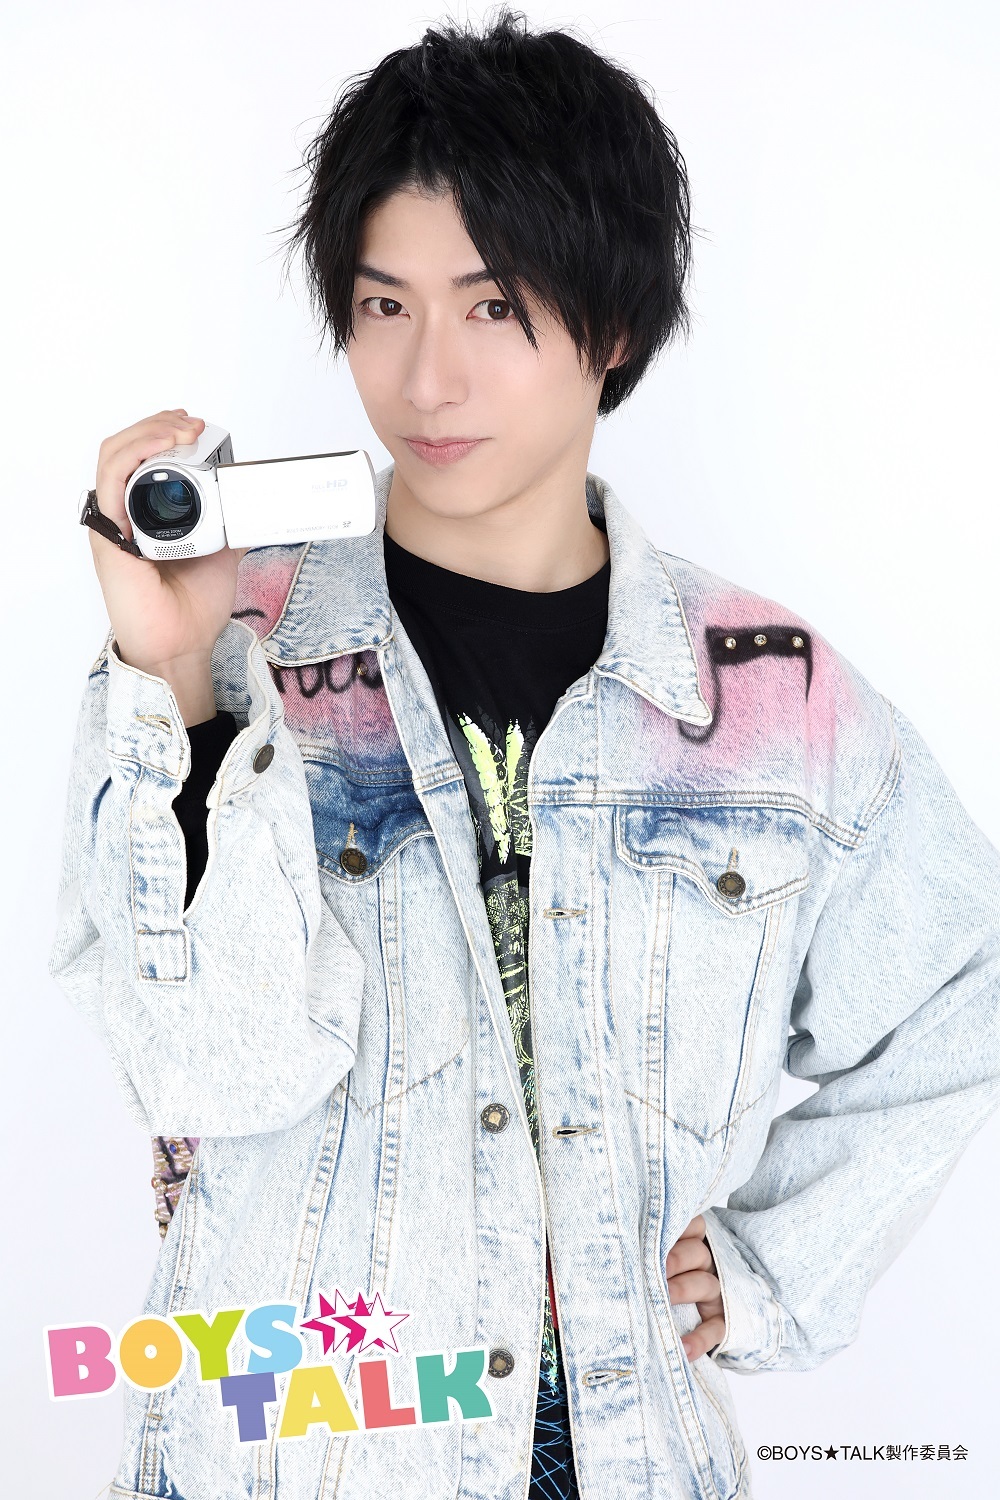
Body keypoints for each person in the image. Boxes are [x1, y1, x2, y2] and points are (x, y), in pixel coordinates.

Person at [50, 10, 1000, 1500]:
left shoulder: (768, 699)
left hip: (624, 1455)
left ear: (612, 328)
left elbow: (959, 991)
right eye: (383, 306)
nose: (426, 380)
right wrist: (177, 681)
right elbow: (204, 1072)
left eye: (493, 307)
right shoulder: (227, 642)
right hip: (299, 1451)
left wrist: (775, 1263)